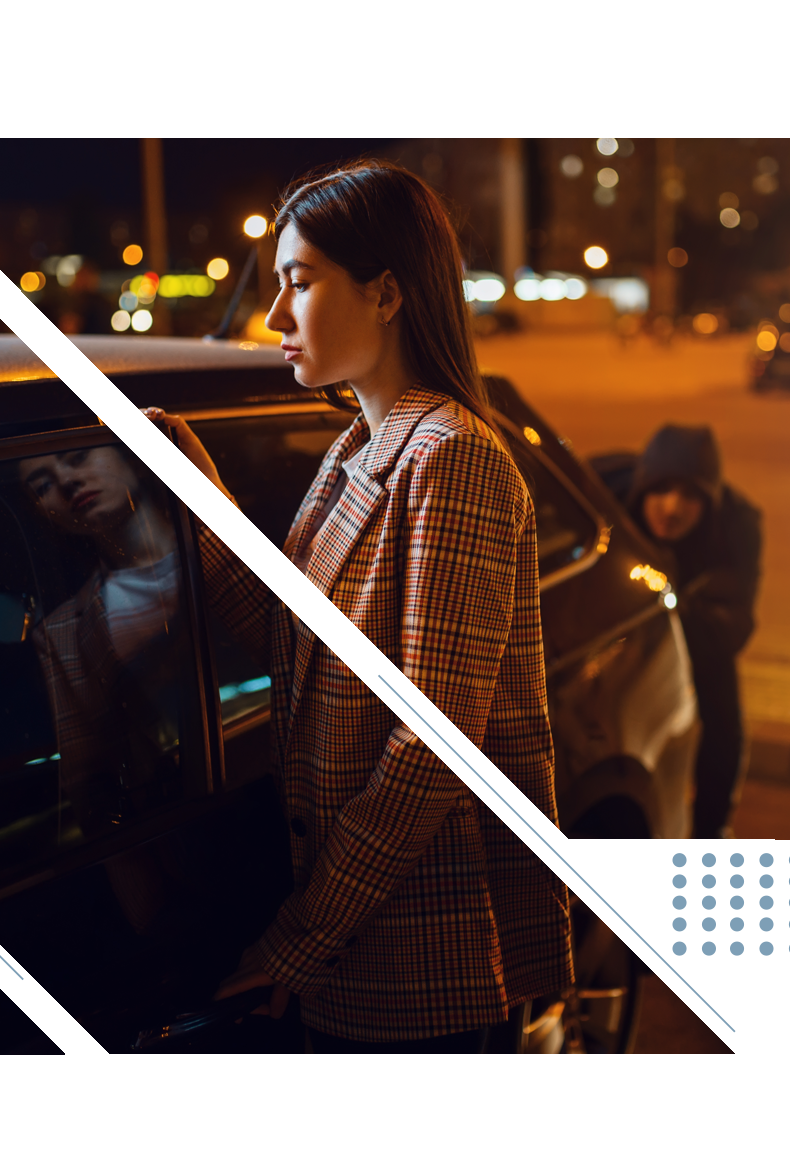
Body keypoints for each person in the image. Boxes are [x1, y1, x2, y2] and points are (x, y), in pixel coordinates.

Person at [143, 160, 574, 1058]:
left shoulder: (451, 459)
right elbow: (288, 635)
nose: (273, 317)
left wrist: (299, 941)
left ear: (386, 293)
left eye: (299, 283)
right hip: (355, 952)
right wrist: (200, 497)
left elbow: (433, 741)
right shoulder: (360, 446)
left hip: (423, 970)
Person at [19, 443, 191, 933]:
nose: (68, 481)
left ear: (128, 457)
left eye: (76, 457)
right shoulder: (62, 633)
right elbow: (96, 799)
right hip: (192, 848)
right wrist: (157, 934)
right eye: (42, 484)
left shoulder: (221, 551)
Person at [617, 425, 762, 840]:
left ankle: (712, 830)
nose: (672, 508)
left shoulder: (737, 528)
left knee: (724, 721)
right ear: (644, 488)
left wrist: (685, 615)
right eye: (661, 491)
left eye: (690, 495)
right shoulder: (609, 500)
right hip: (628, 635)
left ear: (710, 502)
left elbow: (737, 625)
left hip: (697, 633)